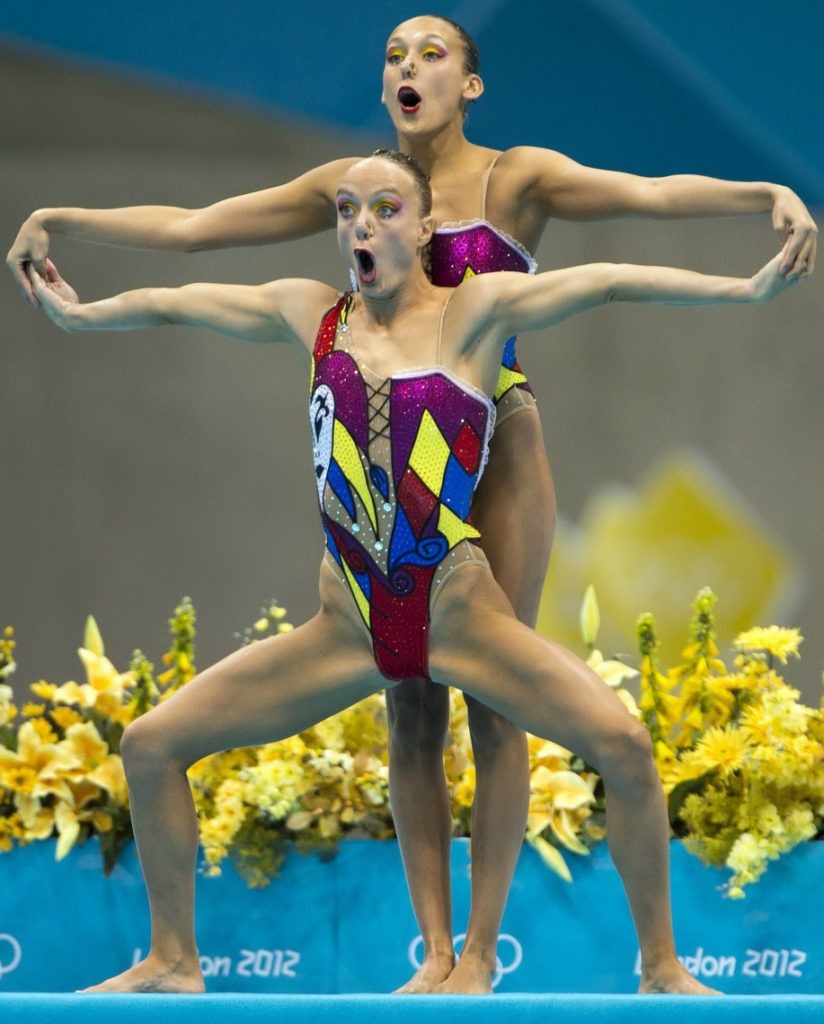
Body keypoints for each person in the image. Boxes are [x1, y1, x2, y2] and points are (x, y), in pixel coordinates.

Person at [7, 14, 817, 994]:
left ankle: (642, 965)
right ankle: (185, 960)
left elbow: (610, 271)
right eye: (347, 210)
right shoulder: (310, 306)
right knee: (157, 744)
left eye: (383, 210)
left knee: (599, 738)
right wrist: (79, 294)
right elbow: (183, 274)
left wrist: (748, 265)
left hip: (464, 558)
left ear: (425, 222)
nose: (359, 222)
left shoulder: (480, 295)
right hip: (349, 619)